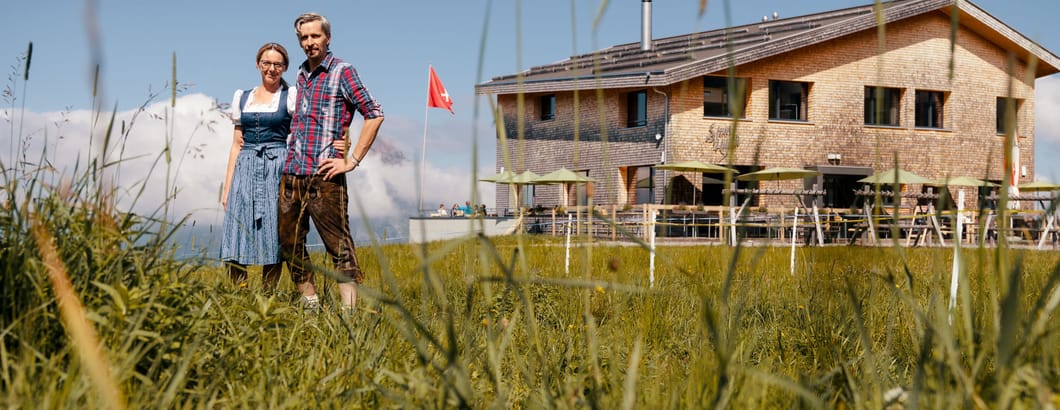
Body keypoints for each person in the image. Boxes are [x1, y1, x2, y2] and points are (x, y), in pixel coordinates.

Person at [280, 12, 384, 311]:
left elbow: (374, 113)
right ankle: (310, 307)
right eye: (304, 37)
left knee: (338, 247)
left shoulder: (342, 71)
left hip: (324, 175)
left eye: (315, 36)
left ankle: (349, 315)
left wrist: (351, 160)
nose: (309, 42)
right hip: (292, 172)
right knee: (289, 244)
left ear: (327, 38)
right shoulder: (300, 75)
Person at [219, 42, 295, 291]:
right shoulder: (242, 97)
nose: (271, 69)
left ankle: (267, 298)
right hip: (246, 167)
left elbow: (299, 136)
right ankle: (239, 298)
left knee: (272, 236)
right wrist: (227, 187)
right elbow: (235, 145)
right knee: (236, 233)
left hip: (276, 168)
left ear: (284, 67)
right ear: (258, 64)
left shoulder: (290, 96)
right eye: (266, 63)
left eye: (277, 64)